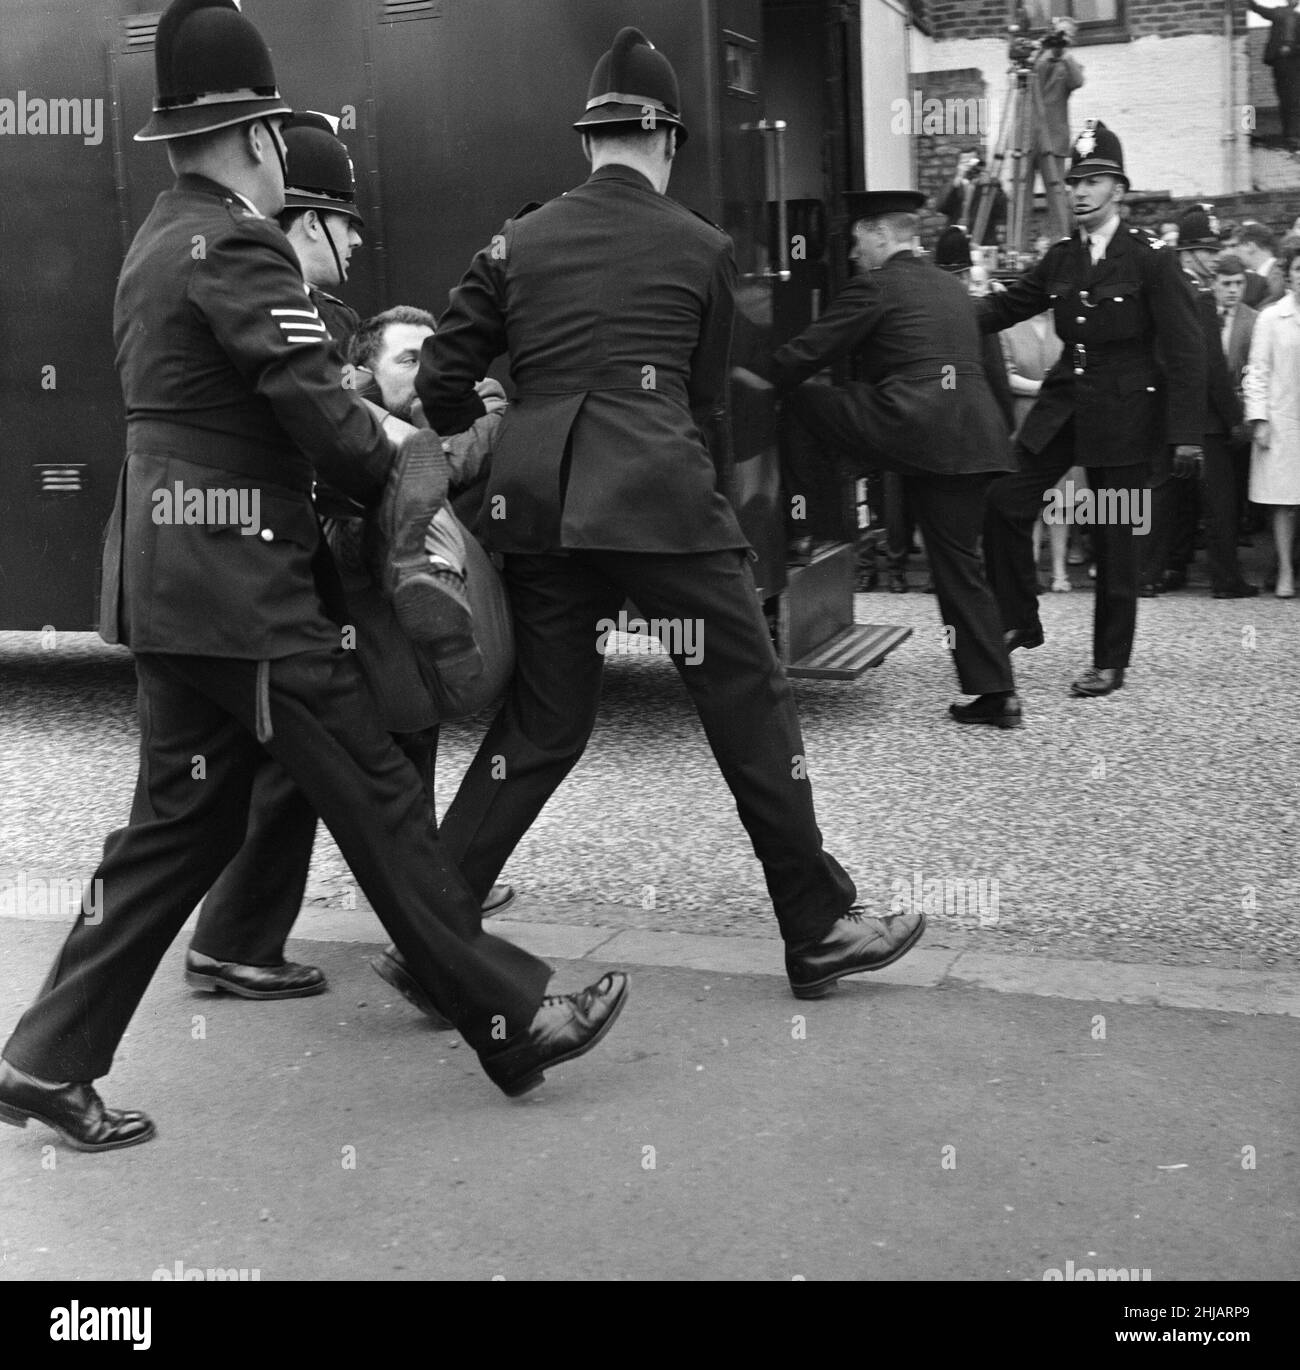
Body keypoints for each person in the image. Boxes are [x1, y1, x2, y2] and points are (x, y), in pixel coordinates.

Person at [0, 0, 627, 1153]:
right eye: (286, 134)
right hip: (245, 591)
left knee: (178, 830)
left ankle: (45, 1057)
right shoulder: (235, 241)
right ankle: (513, 1012)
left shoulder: (156, 236)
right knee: (383, 795)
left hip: (175, 580)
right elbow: (315, 407)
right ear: (259, 138)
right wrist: (413, 456)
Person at [404, 25, 926, 1002]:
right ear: (669, 142)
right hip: (659, 497)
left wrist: (504, 432)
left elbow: (443, 372)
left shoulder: (516, 240)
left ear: (586, 141)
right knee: (747, 699)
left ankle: (431, 937)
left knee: (546, 723)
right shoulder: (700, 246)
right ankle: (815, 927)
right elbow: (702, 404)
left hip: (544, 504)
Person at [767, 193, 1022, 729]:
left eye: (858, 240)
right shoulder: (952, 288)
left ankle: (799, 527)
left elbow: (810, 353)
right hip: (975, 439)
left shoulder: (877, 286)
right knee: (960, 567)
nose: (856, 253)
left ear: (881, 234)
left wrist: (751, 381)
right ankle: (997, 694)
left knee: (802, 398)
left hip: (912, 426)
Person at [977, 120, 1205, 697]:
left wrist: (1185, 434)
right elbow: (1007, 306)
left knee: (1112, 541)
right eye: (1075, 181)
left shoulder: (1150, 257)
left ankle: (1110, 661)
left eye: (1094, 180)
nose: (1079, 191)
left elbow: (1184, 348)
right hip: (1063, 406)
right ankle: (1021, 619)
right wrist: (941, 312)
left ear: (1118, 191)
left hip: (1126, 414)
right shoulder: (1060, 257)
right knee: (1005, 499)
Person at [1140, 213, 1258, 599]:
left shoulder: (1162, 288)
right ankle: (1226, 579)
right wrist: (1236, 418)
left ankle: (1148, 574)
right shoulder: (1199, 296)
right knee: (1220, 503)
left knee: (1163, 496)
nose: (1212, 257)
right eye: (1205, 250)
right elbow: (1209, 366)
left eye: (1213, 249)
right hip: (1203, 419)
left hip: (1163, 412)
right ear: (1188, 253)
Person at [1243, 242, 1300, 597]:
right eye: (1298, 270)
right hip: (1284, 419)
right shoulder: (1271, 317)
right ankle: (1284, 570)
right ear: (1289, 275)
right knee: (1285, 500)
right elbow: (1257, 371)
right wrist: (1259, 418)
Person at [1248, 1, 1300, 148]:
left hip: (1294, 63)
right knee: (1284, 98)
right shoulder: (1278, 13)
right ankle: (1288, 135)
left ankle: (1294, 136)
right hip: (1279, 63)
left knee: (1294, 99)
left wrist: (1292, 49)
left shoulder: (1298, 18)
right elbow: (1259, 9)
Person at [938, 149, 1007, 246]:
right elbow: (942, 208)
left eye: (972, 162)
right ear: (958, 165)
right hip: (957, 241)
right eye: (965, 163)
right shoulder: (952, 185)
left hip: (983, 240)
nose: (969, 166)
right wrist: (958, 180)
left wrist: (990, 185)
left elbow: (1002, 211)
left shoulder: (989, 185)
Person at [1229, 222, 1286, 308]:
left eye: (1235, 246)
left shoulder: (1279, 276)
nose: (1233, 252)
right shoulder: (1255, 277)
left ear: (1250, 246)